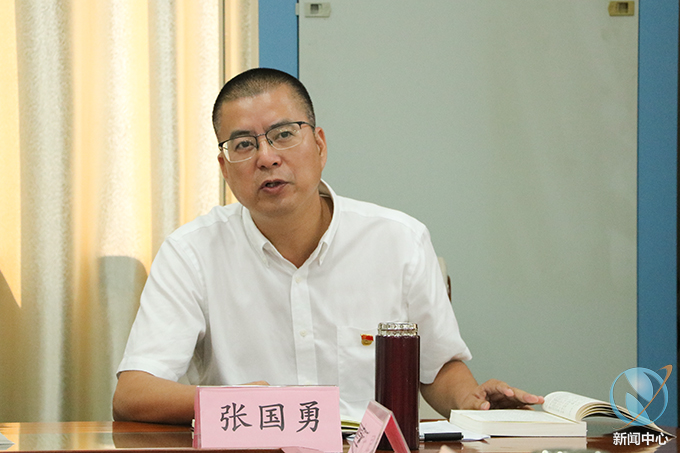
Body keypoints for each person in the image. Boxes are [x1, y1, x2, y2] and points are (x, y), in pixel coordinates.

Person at [113, 68, 543, 424]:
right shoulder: (191, 253)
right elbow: (133, 393)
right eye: (243, 144)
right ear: (225, 169)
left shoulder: (399, 240)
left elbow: (437, 368)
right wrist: (240, 403)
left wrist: (472, 403)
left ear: (319, 145)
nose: (266, 157)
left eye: (283, 134)